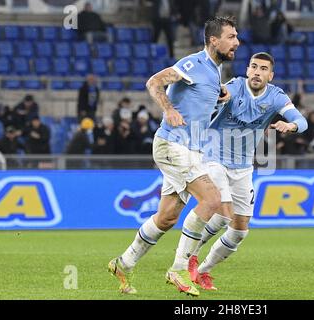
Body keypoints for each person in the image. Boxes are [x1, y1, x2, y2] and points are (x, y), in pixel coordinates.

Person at [107, 16, 240, 297]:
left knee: (166, 218)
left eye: (236, 37)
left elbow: (200, 97)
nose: (236, 42)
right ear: (214, 40)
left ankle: (123, 263)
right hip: (172, 144)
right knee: (212, 200)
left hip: (189, 149)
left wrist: (220, 94)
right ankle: (178, 268)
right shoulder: (194, 63)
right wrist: (167, 108)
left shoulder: (214, 73)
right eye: (231, 37)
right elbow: (154, 82)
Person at [187, 52, 308, 290]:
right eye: (253, 67)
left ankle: (203, 271)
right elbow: (221, 95)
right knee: (222, 214)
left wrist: (290, 125)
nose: (257, 72)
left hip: (243, 168)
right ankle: (188, 256)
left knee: (239, 231)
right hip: (214, 158)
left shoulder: (276, 97)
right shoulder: (234, 86)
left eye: (263, 69)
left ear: (270, 75)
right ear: (247, 69)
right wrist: (217, 98)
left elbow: (302, 121)